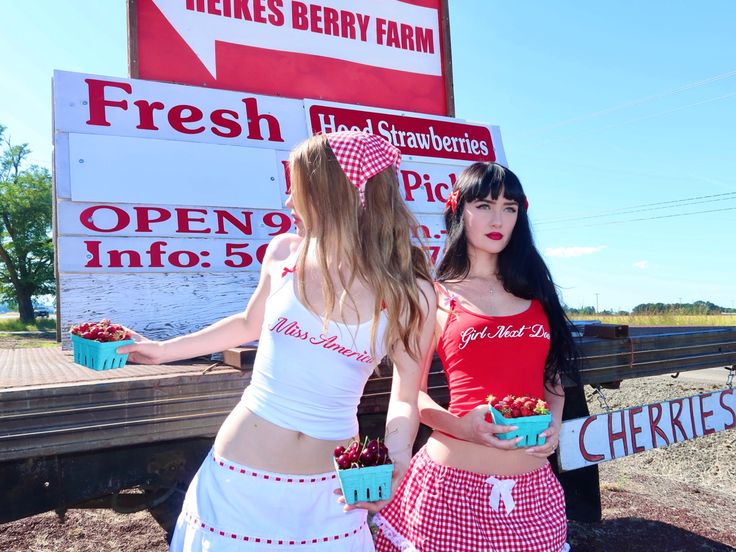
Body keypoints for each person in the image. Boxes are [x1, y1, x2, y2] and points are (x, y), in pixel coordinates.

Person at [118, 131, 436, 551]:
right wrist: (161, 351)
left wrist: (396, 459)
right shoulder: (285, 252)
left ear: (339, 193)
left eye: (298, 189)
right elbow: (247, 324)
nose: (289, 202)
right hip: (237, 484)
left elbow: (405, 396)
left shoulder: (411, 291)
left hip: (333, 498)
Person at [372, 162, 580, 552]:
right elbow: (408, 395)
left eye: (510, 207)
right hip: (448, 493)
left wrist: (552, 424)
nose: (497, 218)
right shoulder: (432, 295)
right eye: (484, 205)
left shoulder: (538, 294)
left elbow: (551, 380)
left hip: (533, 498)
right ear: (459, 209)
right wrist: (461, 427)